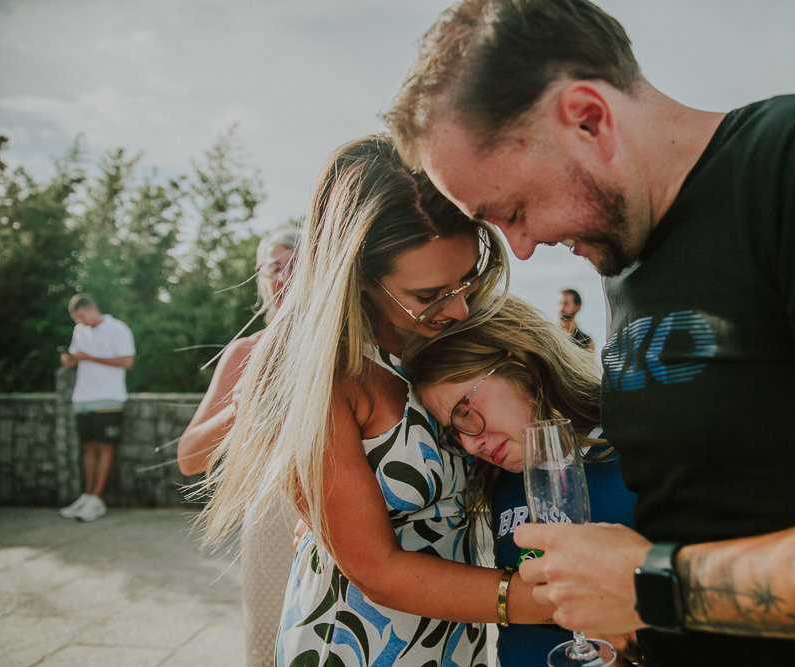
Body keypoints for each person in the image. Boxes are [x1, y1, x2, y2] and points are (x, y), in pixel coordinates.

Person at [383, 1, 795, 665]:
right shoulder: (624, 261)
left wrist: (657, 587)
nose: (524, 247)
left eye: (515, 209)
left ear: (587, 118)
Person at [196, 134, 556, 667]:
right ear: (359, 275)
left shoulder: (450, 333)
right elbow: (377, 570)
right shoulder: (320, 372)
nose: (459, 308)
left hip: (456, 638)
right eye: (429, 295)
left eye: (467, 280)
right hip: (358, 642)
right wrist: (554, 601)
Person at [406, 295, 639, 667]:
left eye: (465, 411)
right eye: (454, 432)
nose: (470, 444)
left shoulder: (634, 455)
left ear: (521, 365)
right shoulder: (499, 477)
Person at [176, 227, 300, 667]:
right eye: (274, 266)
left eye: (296, 263)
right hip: (272, 519)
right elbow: (189, 458)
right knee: (270, 650)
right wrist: (242, 405)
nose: (284, 275)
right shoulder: (245, 351)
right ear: (259, 277)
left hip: (344, 508)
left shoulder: (351, 341)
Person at [58, 293, 135, 523]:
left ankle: (97, 499)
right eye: (76, 318)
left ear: (92, 309)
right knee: (87, 447)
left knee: (105, 447)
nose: (79, 321)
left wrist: (89, 357)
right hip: (83, 397)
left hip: (108, 397)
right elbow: (76, 358)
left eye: (81, 316)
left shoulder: (118, 328)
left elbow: (127, 362)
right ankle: (87, 495)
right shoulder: (79, 331)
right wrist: (70, 360)